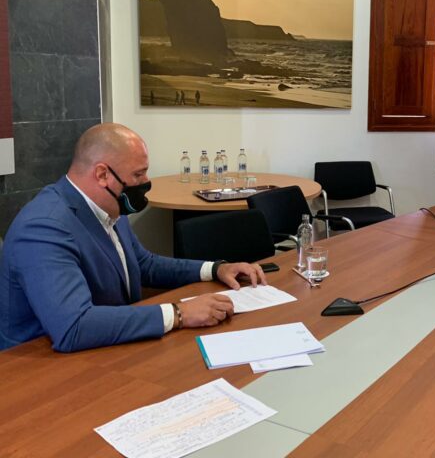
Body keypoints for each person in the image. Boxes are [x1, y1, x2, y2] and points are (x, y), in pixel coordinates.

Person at [0, 123, 267, 352]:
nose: (145, 182)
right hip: (38, 371)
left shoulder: (107, 205)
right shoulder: (44, 227)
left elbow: (143, 264)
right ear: (102, 174)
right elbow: (73, 326)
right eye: (138, 174)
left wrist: (216, 268)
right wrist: (179, 313)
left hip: (106, 349)